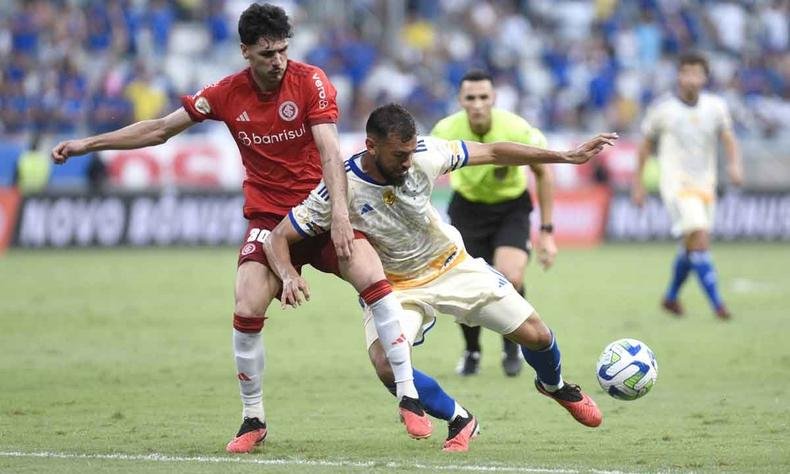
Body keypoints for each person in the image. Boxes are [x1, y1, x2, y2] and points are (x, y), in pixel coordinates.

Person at [50, 3, 426, 453]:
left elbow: (330, 152)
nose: (278, 60)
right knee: (247, 302)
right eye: (267, 53)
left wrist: (342, 216)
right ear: (245, 51)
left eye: (283, 50)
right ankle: (253, 418)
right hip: (268, 218)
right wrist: (87, 144)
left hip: (321, 210)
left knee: (371, 275)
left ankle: (409, 395)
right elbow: (160, 130)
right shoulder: (226, 93)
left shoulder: (311, 81)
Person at [264, 104, 617, 451]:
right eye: (399, 154)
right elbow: (278, 237)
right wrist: (288, 274)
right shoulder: (339, 190)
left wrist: (565, 156)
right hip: (395, 287)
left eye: (410, 151)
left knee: (537, 336)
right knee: (386, 365)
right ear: (371, 146)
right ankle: (460, 418)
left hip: (452, 265)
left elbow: (493, 152)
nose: (407, 161)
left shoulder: (424, 153)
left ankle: (554, 385)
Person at [431, 69, 557, 377]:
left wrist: (547, 231)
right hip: (467, 210)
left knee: (510, 277)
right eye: (470, 98)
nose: (477, 104)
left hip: (510, 208)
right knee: (465, 287)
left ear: (494, 99)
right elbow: (422, 174)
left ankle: (511, 344)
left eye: (483, 97)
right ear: (460, 100)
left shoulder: (516, 128)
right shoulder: (445, 130)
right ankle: (472, 350)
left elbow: (543, 172)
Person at [631, 52, 743, 320]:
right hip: (676, 185)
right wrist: (638, 184)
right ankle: (718, 305)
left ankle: (670, 297)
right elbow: (644, 147)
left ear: (705, 78)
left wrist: (734, 165)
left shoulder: (716, 106)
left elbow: (728, 138)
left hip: (706, 184)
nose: (692, 79)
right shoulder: (663, 109)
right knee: (700, 238)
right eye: (687, 72)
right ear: (679, 76)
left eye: (697, 73)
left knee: (691, 245)